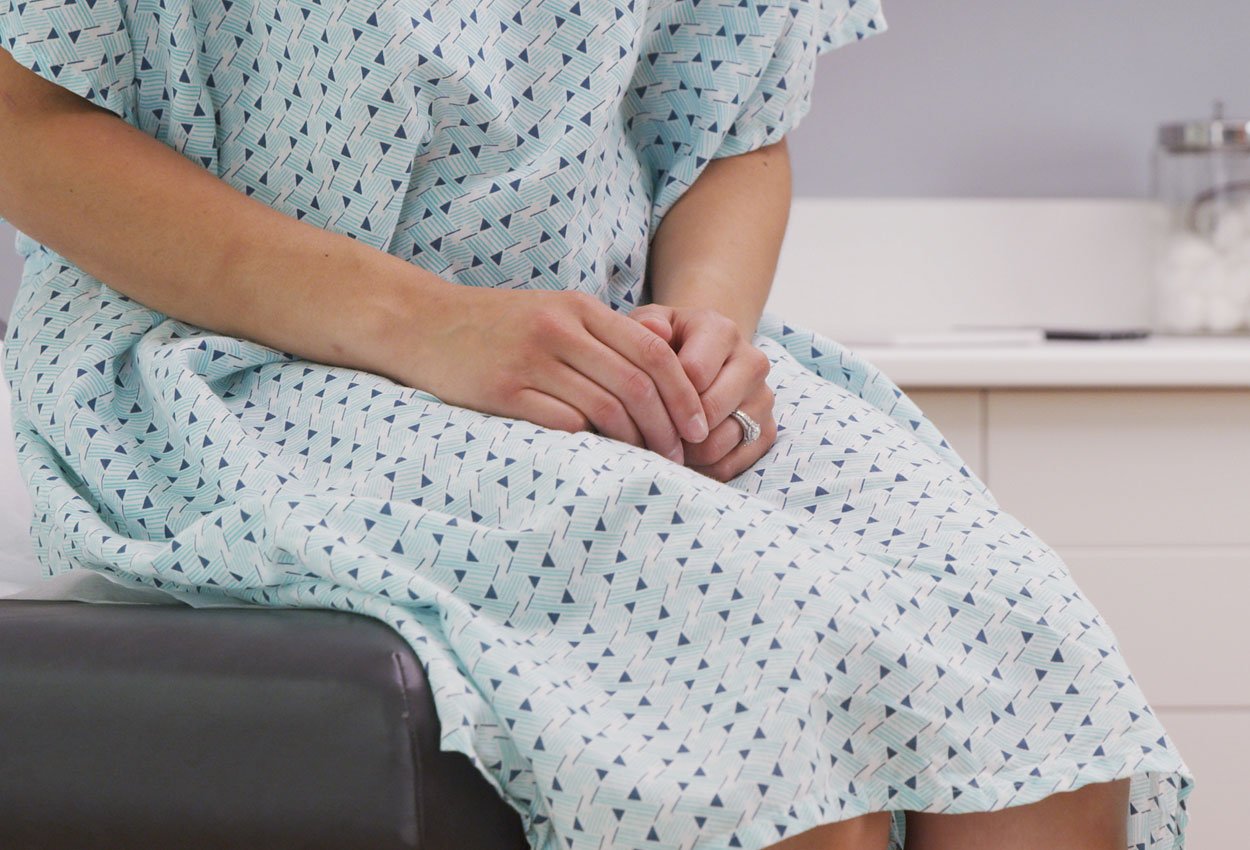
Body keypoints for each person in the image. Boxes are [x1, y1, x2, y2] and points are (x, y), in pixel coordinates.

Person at [0, 0, 1192, 848]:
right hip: (241, 361)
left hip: (606, 355)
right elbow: (24, 123)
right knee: (752, 697)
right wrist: (430, 328)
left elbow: (733, 124)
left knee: (1026, 652)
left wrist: (698, 338)